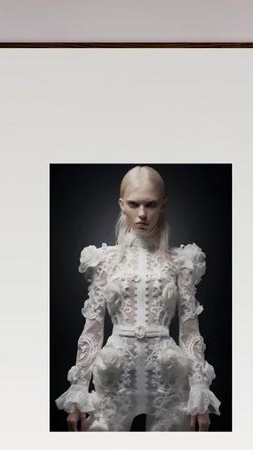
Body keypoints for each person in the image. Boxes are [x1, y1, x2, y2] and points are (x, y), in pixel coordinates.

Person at [55, 165, 220, 432]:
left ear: (163, 205)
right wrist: (78, 391)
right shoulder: (104, 261)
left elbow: (189, 332)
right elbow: (93, 329)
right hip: (114, 374)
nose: (142, 214)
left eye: (150, 204)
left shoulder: (181, 261)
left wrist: (199, 390)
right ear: (121, 204)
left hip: (167, 376)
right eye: (134, 204)